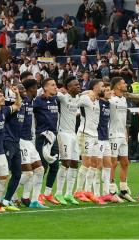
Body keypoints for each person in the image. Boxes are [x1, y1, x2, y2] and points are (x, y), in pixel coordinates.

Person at [16, 76, 46, 209]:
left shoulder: (31, 102)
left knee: (39, 170)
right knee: (28, 173)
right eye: (35, 88)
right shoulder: (21, 101)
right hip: (21, 140)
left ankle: (31, 199)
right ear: (29, 89)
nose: (36, 90)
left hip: (29, 140)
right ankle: (11, 195)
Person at [75, 79, 105, 204]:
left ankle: (87, 191)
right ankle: (78, 191)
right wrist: (85, 93)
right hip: (85, 134)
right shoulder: (85, 98)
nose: (103, 88)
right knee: (86, 162)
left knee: (94, 163)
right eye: (102, 86)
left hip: (94, 135)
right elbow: (74, 102)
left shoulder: (97, 100)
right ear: (95, 87)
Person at [54, 76, 81, 205]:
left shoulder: (78, 99)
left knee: (75, 163)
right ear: (69, 87)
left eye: (78, 84)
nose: (78, 86)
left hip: (73, 134)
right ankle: (58, 193)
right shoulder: (63, 97)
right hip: (63, 133)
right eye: (75, 85)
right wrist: (59, 90)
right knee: (65, 163)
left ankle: (69, 193)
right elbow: (52, 92)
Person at [34, 78, 60, 205]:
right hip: (43, 136)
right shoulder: (39, 100)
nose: (55, 87)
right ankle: (36, 194)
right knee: (42, 166)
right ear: (45, 88)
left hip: (53, 136)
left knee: (55, 165)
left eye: (55, 85)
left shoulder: (55, 100)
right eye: (52, 85)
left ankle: (48, 194)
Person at [108, 77, 134, 202]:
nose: (126, 84)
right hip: (113, 135)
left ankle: (123, 190)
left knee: (125, 162)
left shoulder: (123, 99)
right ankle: (111, 190)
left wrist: (126, 134)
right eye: (124, 83)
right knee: (113, 163)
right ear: (118, 86)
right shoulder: (111, 100)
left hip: (122, 135)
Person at [0, 83, 26, 211]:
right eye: (19, 90)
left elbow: (19, 104)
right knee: (4, 173)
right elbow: (16, 104)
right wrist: (15, 94)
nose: (22, 92)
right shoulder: (8, 106)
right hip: (7, 141)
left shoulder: (22, 107)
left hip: (16, 142)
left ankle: (6, 200)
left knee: (17, 173)